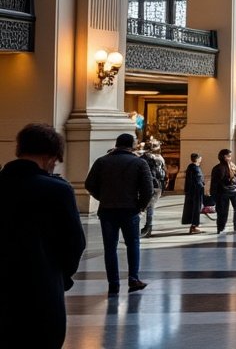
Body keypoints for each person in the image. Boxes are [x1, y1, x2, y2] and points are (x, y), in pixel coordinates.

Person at [0, 123, 85, 348]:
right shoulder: (57, 190)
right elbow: (75, 243)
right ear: (50, 156)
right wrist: (62, 277)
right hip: (41, 286)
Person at [85, 133, 153, 294]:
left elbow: (89, 184)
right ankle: (133, 278)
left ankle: (113, 283)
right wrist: (140, 206)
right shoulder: (139, 163)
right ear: (132, 145)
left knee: (110, 248)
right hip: (130, 210)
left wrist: (102, 197)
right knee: (133, 244)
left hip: (107, 210)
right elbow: (148, 189)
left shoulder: (102, 161)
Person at [209, 149, 236, 234]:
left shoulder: (232, 166)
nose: (230, 158)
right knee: (223, 211)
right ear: (224, 157)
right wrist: (213, 195)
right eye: (229, 156)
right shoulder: (218, 168)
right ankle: (221, 228)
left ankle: (235, 226)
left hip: (233, 191)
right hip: (223, 192)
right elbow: (215, 183)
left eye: (230, 156)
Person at [139, 139, 167, 237]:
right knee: (150, 206)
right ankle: (148, 226)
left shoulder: (143, 158)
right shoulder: (160, 158)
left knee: (146, 206)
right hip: (158, 185)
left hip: (147, 184)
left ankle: (148, 227)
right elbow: (164, 172)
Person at [180, 153, 205, 233]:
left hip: (194, 191)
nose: (201, 159)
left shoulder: (193, 167)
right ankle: (194, 226)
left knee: (195, 208)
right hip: (196, 192)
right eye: (200, 158)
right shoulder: (194, 168)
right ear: (197, 159)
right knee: (196, 208)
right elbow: (197, 181)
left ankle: (194, 225)